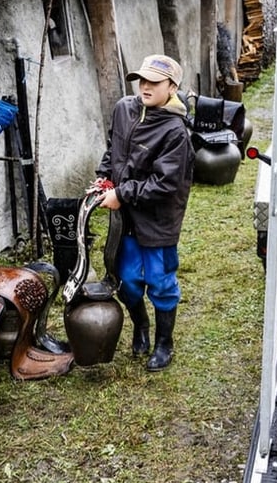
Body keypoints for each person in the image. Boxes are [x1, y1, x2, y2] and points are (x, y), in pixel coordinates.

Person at [93, 54, 194, 371]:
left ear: (172, 87)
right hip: (126, 221)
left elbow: (164, 184)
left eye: (155, 82)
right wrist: (104, 177)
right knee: (126, 281)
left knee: (160, 283)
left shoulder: (175, 132)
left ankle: (165, 343)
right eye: (142, 80)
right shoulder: (125, 108)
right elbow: (115, 148)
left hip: (157, 221)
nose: (146, 87)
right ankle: (141, 326)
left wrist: (121, 194)